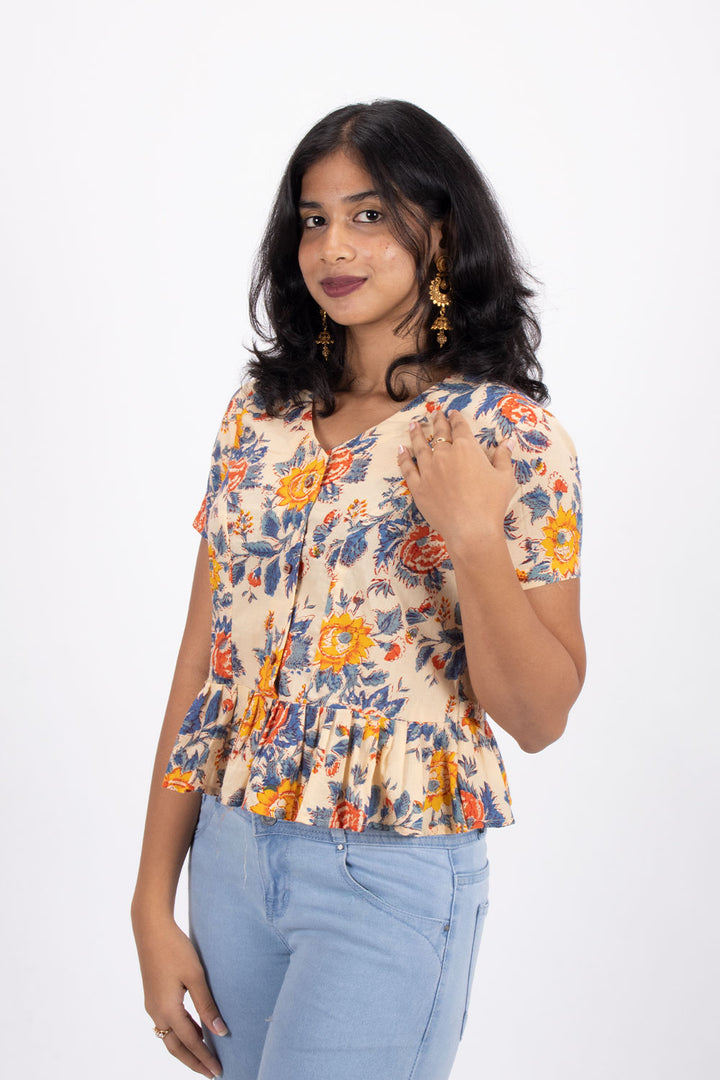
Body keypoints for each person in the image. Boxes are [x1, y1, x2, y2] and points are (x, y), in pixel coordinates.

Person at [131, 99, 586, 1080]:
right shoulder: (258, 416)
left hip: (389, 870)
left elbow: (541, 716)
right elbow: (203, 663)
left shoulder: (508, 435)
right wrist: (149, 904)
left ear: (442, 232)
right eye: (314, 218)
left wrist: (472, 532)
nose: (333, 246)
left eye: (370, 215)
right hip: (230, 856)